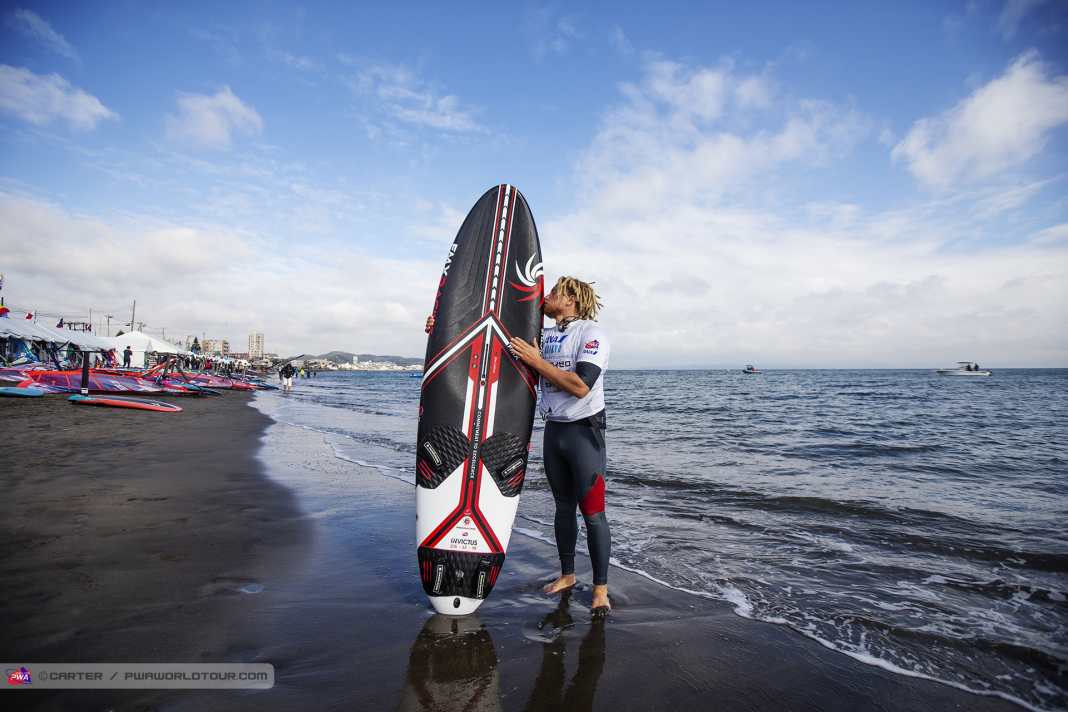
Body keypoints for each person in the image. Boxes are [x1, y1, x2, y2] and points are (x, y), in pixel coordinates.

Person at [424, 276, 613, 616]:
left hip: (585, 433)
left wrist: (537, 361)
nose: (547, 295)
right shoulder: (545, 335)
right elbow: (489, 344)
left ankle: (600, 589)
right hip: (555, 431)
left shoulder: (592, 335)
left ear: (571, 299)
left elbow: (581, 386)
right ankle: (568, 575)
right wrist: (441, 329)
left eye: (555, 291)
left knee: (593, 514)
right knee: (563, 508)